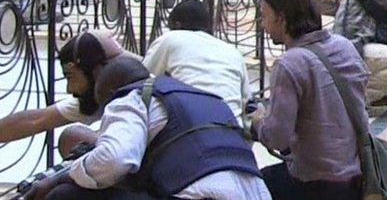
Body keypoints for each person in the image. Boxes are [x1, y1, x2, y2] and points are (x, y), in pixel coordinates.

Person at [30, 57, 270, 200]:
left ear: (111, 94)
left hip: (203, 196)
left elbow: (113, 159)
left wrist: (60, 178)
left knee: (65, 196)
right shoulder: (210, 101)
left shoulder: (131, 98)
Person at [250, 0, 368, 200]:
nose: (262, 25)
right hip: (354, 177)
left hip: (313, 183)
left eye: (265, 16)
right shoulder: (344, 46)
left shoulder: (290, 63)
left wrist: (258, 121)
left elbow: (277, 138)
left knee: (249, 187)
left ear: (281, 18)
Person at [0, 30, 136, 150]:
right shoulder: (103, 90)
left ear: (96, 71)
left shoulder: (136, 93)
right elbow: (37, 119)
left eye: (71, 77)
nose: (69, 89)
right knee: (72, 138)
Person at [142, 0, 252, 125]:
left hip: (189, 130)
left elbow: (141, 79)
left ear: (177, 25)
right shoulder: (233, 51)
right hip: (232, 131)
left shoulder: (171, 38)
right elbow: (246, 103)